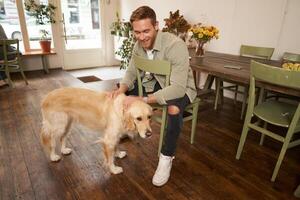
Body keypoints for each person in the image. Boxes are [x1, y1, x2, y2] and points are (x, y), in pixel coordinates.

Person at [109, 6, 197, 186]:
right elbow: (131, 72)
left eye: (146, 31)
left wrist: (142, 99)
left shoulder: (175, 45)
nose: (141, 37)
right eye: (137, 32)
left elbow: (178, 88)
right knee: (120, 96)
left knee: (173, 109)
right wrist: (123, 89)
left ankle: (166, 158)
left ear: (156, 25)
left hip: (180, 88)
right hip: (155, 82)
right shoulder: (137, 45)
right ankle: (125, 128)